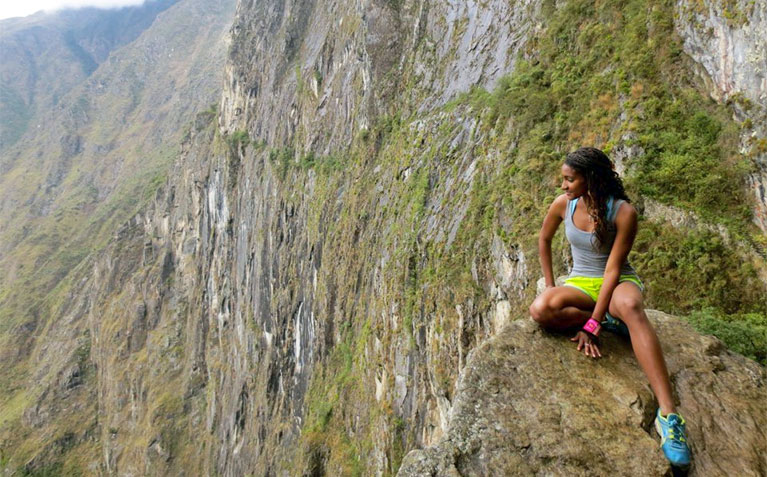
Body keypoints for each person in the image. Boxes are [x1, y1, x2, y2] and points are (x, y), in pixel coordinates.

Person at [528, 147, 692, 468]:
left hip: (617, 283)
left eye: (569, 179)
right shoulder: (565, 204)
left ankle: (669, 417)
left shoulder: (622, 212)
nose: (563, 185)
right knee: (540, 309)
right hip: (581, 283)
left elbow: (613, 270)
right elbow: (543, 239)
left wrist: (592, 325)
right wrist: (550, 285)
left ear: (591, 178)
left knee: (630, 305)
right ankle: (612, 322)